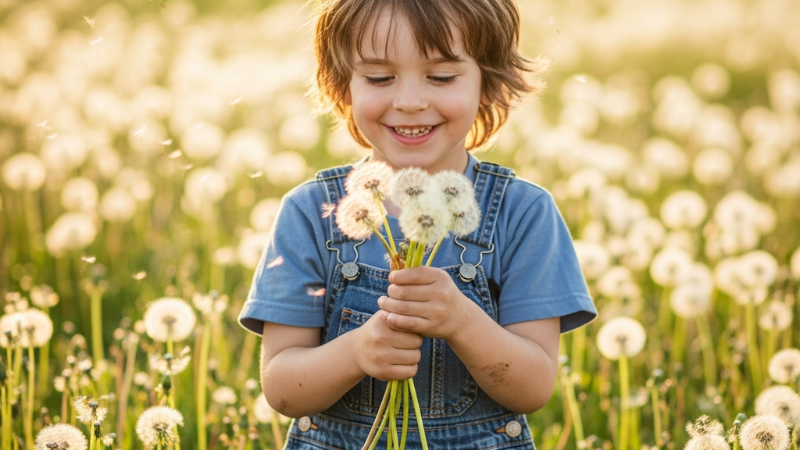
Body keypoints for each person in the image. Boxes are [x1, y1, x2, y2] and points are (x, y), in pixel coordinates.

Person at [237, 0, 597, 448]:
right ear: (343, 85)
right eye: (379, 78)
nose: (409, 102)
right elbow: (282, 388)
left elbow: (533, 388)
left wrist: (462, 322)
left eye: (441, 77)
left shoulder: (523, 213)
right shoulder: (312, 213)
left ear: (487, 82)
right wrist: (356, 352)